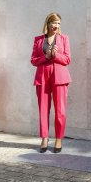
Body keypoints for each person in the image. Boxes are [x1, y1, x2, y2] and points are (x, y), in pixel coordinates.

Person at [31, 12, 71, 153]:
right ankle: (45, 138)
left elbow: (67, 59)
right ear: (48, 24)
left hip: (60, 77)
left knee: (60, 110)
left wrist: (55, 55)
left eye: (59, 23)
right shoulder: (38, 40)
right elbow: (33, 60)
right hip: (42, 77)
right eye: (54, 22)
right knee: (43, 109)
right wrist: (46, 56)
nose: (57, 25)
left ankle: (59, 139)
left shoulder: (64, 39)